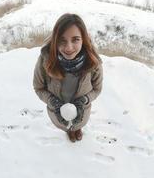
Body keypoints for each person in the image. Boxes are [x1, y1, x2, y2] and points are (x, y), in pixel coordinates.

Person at [33, 13, 103, 142]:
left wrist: (85, 100)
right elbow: (38, 87)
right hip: (56, 112)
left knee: (77, 124)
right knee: (65, 126)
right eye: (62, 40)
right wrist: (52, 101)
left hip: (83, 112)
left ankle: (76, 129)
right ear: (55, 40)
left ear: (83, 39)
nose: (69, 47)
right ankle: (68, 130)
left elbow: (97, 89)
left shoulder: (93, 63)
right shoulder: (46, 60)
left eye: (75, 39)